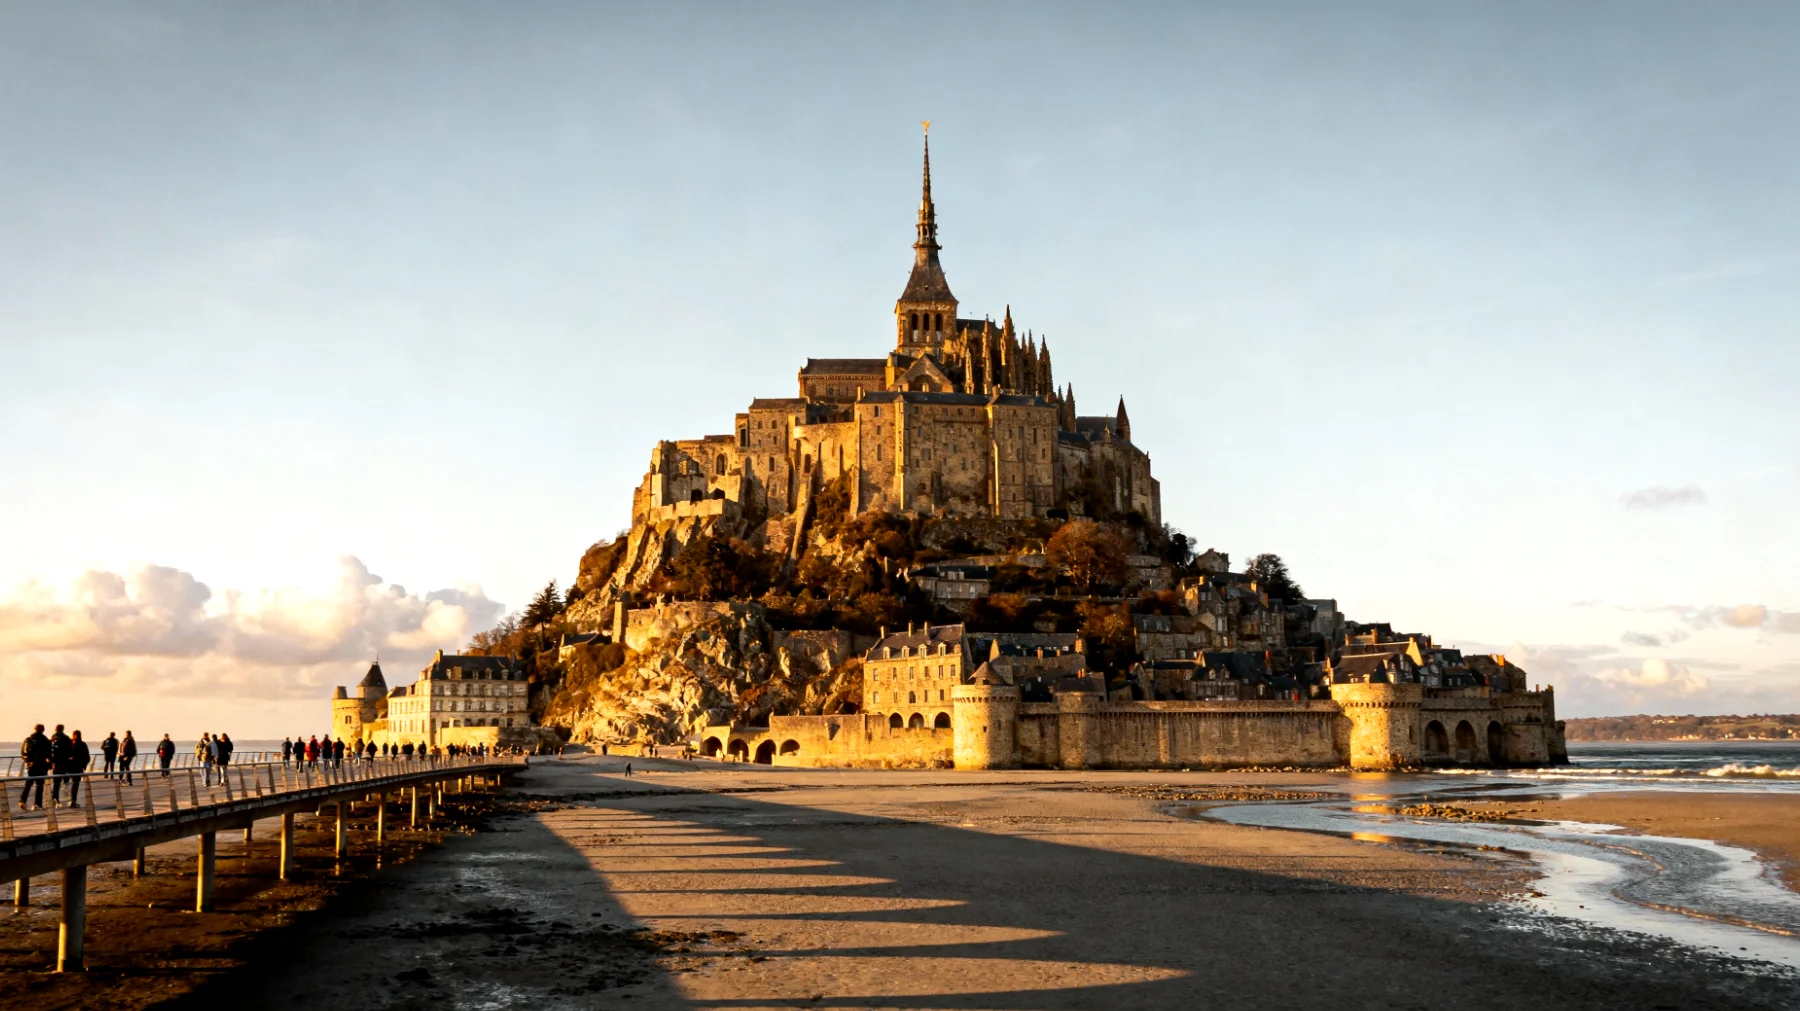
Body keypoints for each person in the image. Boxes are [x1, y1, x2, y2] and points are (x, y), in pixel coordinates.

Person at [20, 723, 51, 810]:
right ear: (43, 730)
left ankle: (23, 799)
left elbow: (23, 752)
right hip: (42, 765)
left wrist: (28, 761)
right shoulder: (46, 741)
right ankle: (37, 804)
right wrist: (50, 763)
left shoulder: (29, 739)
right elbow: (49, 755)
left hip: (31, 765)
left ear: (34, 729)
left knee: (29, 783)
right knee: (40, 785)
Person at [64, 731, 91, 806]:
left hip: (72, 767)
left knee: (71, 783)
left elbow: (87, 757)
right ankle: (72, 800)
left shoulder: (71, 744)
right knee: (74, 784)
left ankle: (71, 800)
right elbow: (87, 757)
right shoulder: (81, 744)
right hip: (76, 767)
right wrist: (83, 765)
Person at [48, 724, 73, 806]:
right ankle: (58, 798)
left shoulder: (52, 738)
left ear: (56, 729)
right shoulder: (66, 738)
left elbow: (49, 750)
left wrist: (51, 760)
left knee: (56, 781)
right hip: (63, 762)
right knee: (61, 781)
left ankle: (55, 797)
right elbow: (70, 751)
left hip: (55, 762)